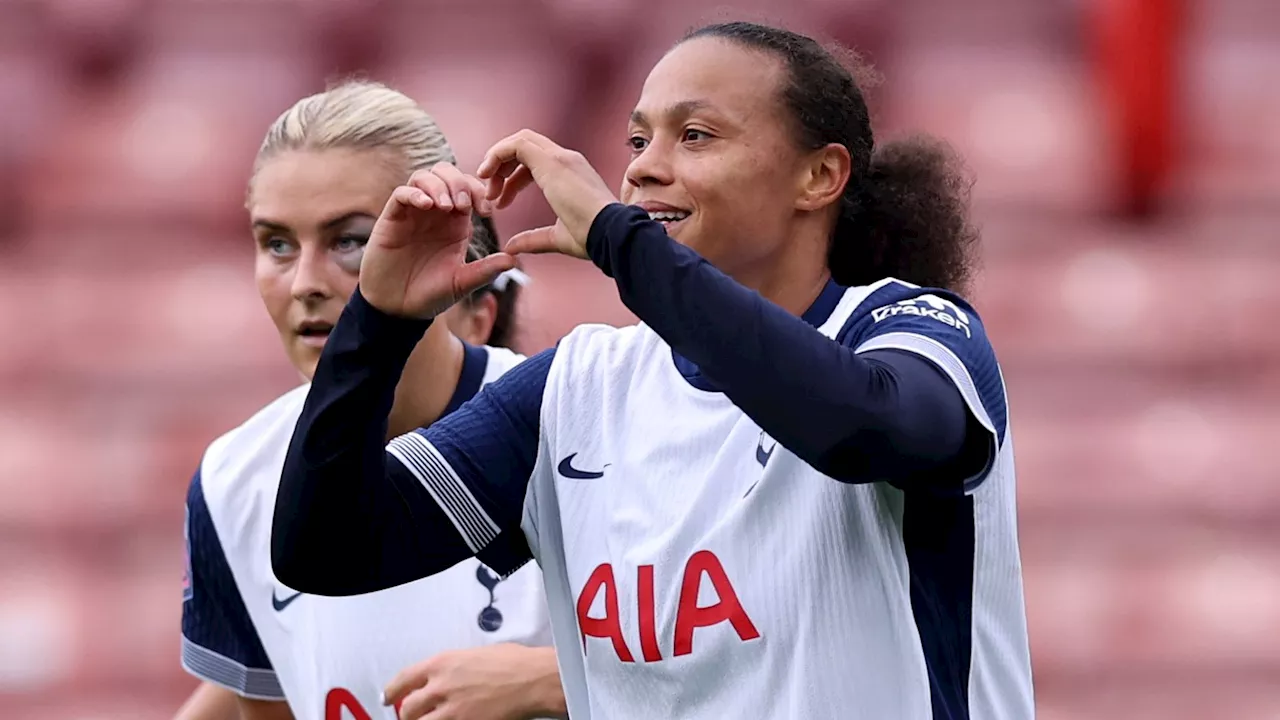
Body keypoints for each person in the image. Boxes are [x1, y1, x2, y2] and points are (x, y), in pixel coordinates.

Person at [273, 22, 1034, 720]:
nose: (644, 170)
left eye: (695, 135)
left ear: (820, 176)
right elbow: (327, 546)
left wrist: (620, 241)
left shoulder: (907, 331)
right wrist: (378, 320)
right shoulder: (577, 389)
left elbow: (861, 432)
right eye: (637, 141)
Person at [176, 81, 565, 720]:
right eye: (276, 243)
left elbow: (758, 660)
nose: (304, 283)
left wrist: (557, 682)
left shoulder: (574, 421)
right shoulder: (232, 479)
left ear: (448, 247)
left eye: (350, 240)